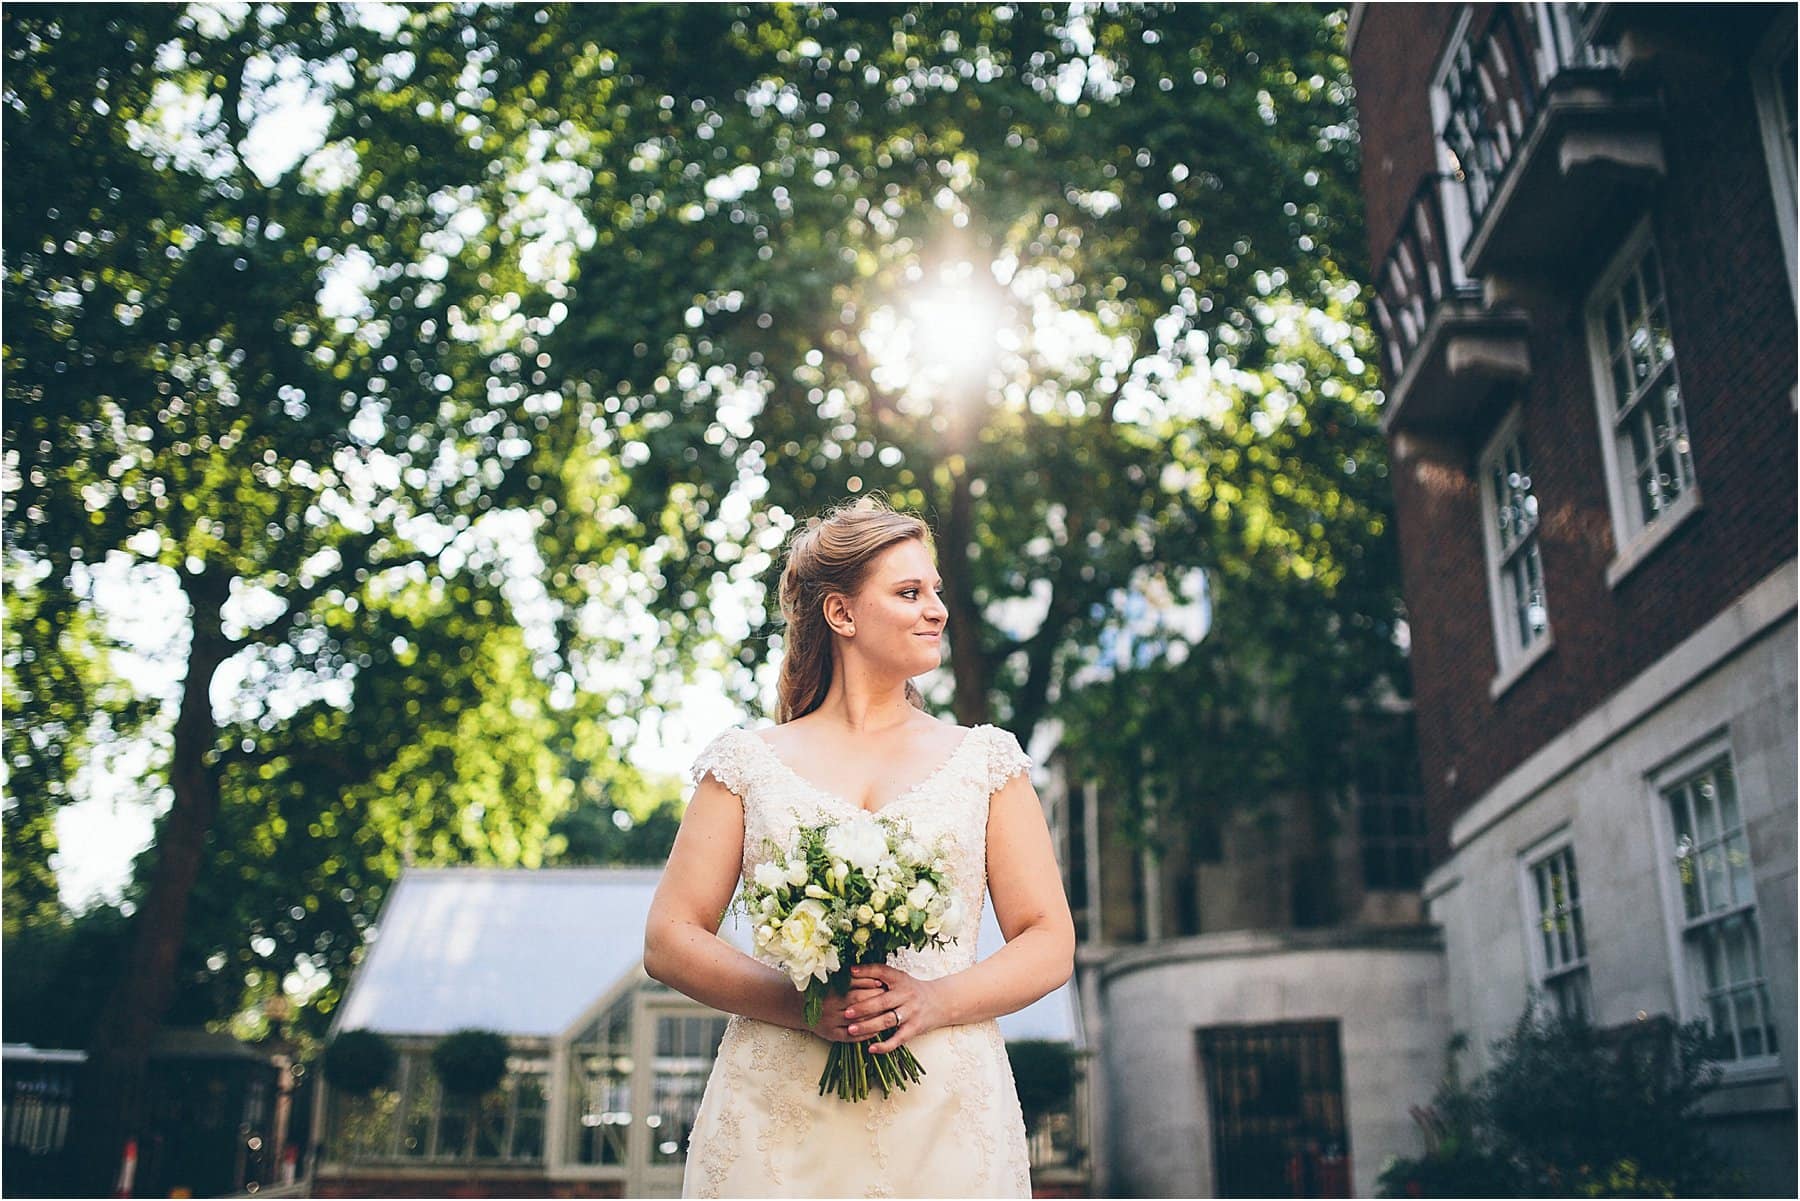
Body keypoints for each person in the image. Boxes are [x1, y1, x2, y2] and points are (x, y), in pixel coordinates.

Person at [643, 497, 1077, 1199]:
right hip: (777, 1124)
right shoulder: (746, 764)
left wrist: (933, 1000)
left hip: (944, 1117)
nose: (936, 608)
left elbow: (1049, 939)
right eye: (909, 592)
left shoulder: (986, 762)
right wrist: (803, 1005)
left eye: (935, 590)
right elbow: (668, 936)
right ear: (842, 615)